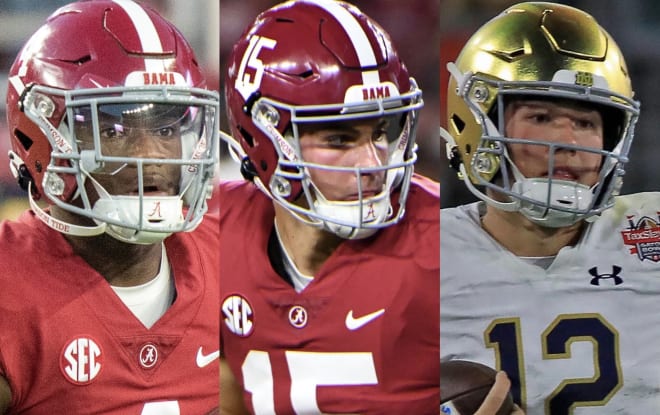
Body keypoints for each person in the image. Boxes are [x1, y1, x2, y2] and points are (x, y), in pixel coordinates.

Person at [218, 0, 439, 413]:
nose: (373, 164)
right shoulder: (215, 233)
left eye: (381, 132)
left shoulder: (440, 242)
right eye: (340, 140)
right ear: (265, 139)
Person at [0, 0, 220, 413]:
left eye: (167, 126)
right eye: (114, 129)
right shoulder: (8, 287)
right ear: (41, 138)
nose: (153, 154)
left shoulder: (228, 255)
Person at [439, 1, 652, 414]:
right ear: (478, 123)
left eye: (587, 123)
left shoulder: (649, 229)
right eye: (540, 116)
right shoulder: (422, 254)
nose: (567, 140)